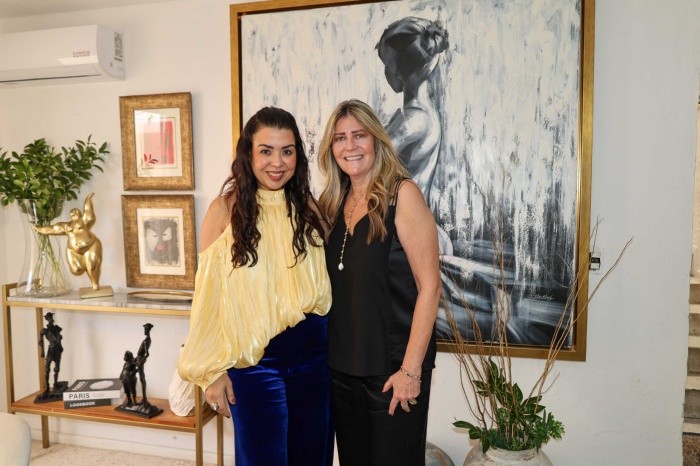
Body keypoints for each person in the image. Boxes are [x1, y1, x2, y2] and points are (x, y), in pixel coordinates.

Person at [178, 107, 333, 466]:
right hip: (254, 365)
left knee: (312, 457)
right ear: (248, 154)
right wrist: (211, 373)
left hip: (315, 360)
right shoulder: (224, 211)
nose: (277, 162)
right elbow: (207, 299)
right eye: (266, 151)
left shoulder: (309, 209)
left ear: (297, 156)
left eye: (287, 151)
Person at [318, 99, 441, 466]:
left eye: (359, 135)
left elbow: (430, 287)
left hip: (393, 371)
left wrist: (410, 370)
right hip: (342, 368)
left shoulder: (402, 194)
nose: (350, 146)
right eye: (340, 138)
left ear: (376, 140)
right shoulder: (332, 203)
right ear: (331, 148)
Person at [376, 17, 449, 205]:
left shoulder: (414, 120)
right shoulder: (421, 114)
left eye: (387, 65)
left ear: (399, 72)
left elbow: (371, 165)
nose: (386, 72)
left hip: (405, 219)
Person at [34, 192, 104, 290]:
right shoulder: (66, 226)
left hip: (91, 246)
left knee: (92, 265)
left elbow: (88, 211)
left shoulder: (84, 221)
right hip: (73, 250)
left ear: (79, 213)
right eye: (72, 213)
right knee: (76, 270)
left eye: (76, 212)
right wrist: (38, 229)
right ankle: (85, 266)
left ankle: (95, 284)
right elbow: (52, 229)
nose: (74, 213)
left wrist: (88, 199)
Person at [38, 312, 63, 394]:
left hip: (57, 349)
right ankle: (47, 387)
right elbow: (41, 342)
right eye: (49, 317)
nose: (51, 319)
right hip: (51, 349)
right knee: (47, 369)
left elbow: (59, 339)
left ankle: (55, 384)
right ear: (47, 319)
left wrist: (61, 347)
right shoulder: (44, 330)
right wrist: (42, 352)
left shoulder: (57, 328)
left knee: (56, 368)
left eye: (51, 317)